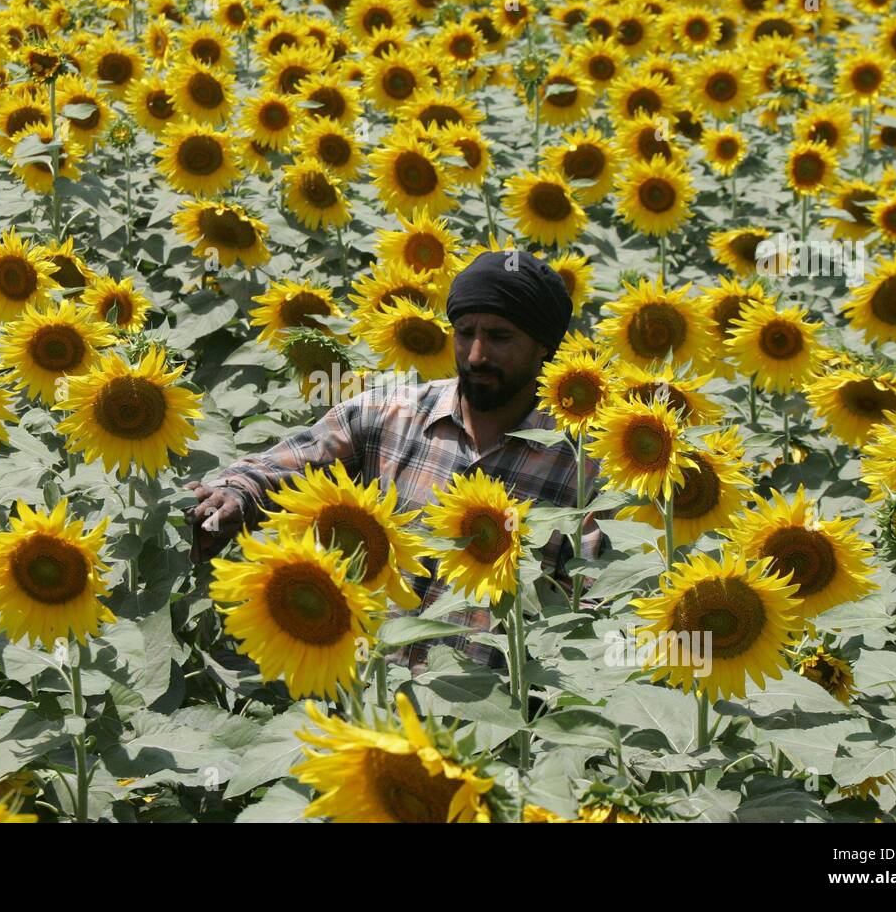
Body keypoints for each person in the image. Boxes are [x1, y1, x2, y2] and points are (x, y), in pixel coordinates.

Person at [185, 249, 605, 674]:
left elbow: (587, 608)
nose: (476, 355)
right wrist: (236, 493)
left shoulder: (579, 466)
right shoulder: (391, 412)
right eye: (464, 332)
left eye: (499, 337)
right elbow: (292, 462)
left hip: (488, 720)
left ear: (543, 349)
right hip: (366, 692)